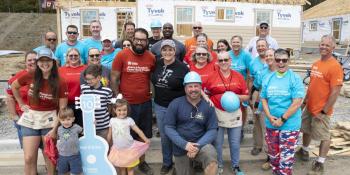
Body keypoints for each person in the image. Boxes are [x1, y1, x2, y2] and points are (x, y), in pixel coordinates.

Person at [11, 48, 68, 175]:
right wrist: (21, 103)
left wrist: (54, 129)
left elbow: (63, 108)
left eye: (47, 60)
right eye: (41, 60)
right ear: (37, 62)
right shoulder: (30, 75)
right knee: (29, 157)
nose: (44, 63)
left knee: (49, 156)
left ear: (53, 62)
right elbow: (14, 86)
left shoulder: (60, 81)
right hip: (31, 117)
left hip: (50, 119)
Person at [111, 28, 156, 175]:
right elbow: (114, 79)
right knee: (125, 136)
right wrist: (118, 99)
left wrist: (151, 93)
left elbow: (151, 78)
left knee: (143, 135)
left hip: (145, 103)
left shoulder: (151, 57)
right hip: (127, 106)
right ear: (132, 39)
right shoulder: (122, 55)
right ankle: (126, 163)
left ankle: (142, 162)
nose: (139, 42)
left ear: (146, 41)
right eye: (137, 39)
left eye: (143, 40)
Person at [297, 35, 343, 175]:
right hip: (310, 106)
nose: (323, 47)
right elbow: (312, 86)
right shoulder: (316, 63)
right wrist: (304, 102)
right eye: (322, 44)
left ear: (333, 48)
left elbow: (335, 92)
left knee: (324, 136)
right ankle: (304, 151)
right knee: (306, 129)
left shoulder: (335, 66)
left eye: (327, 45)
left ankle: (320, 163)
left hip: (322, 110)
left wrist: (324, 111)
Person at [164, 71, 218, 175]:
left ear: (200, 87)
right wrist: (185, 145)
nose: (193, 89)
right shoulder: (175, 104)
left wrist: (198, 146)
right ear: (185, 88)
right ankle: (183, 168)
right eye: (190, 86)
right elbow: (168, 127)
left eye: (196, 86)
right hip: (181, 147)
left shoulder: (208, 106)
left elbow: (212, 129)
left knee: (212, 161)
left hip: (201, 145)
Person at [260, 48, 305, 175]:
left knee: (286, 160)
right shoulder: (268, 78)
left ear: (288, 61)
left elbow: (297, 102)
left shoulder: (295, 78)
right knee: (274, 157)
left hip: (289, 126)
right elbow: (263, 98)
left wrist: (282, 119)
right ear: (274, 60)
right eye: (278, 60)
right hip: (271, 125)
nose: (281, 63)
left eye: (284, 60)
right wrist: (269, 117)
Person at [204, 52, 249, 175]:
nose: (223, 62)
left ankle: (235, 166)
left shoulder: (239, 76)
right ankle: (219, 165)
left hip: (235, 114)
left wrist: (235, 97)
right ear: (217, 62)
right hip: (217, 114)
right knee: (217, 143)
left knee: (234, 143)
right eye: (221, 60)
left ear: (230, 61)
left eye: (226, 60)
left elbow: (246, 96)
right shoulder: (211, 77)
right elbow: (206, 95)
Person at [151, 39, 189, 174]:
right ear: (161, 51)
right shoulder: (157, 64)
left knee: (178, 135)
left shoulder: (182, 68)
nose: (167, 52)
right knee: (165, 137)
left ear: (175, 51)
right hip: (160, 106)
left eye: (170, 49)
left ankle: (179, 164)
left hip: (177, 107)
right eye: (164, 49)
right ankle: (167, 162)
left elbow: (189, 87)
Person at [107, 98, 150, 175]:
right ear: (114, 110)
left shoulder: (129, 120)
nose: (122, 112)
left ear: (127, 110)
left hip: (129, 150)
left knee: (130, 170)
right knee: (122, 170)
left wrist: (145, 139)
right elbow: (109, 134)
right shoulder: (112, 121)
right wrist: (107, 145)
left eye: (124, 110)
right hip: (118, 150)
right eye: (119, 110)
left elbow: (138, 131)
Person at [6, 51, 37, 148]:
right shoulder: (16, 78)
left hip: (41, 115)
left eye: (35, 59)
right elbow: (9, 97)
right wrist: (14, 116)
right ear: (25, 63)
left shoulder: (44, 75)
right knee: (27, 148)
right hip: (24, 116)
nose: (33, 62)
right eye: (30, 60)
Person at [228, 35, 253, 138]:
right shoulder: (228, 54)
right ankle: (230, 127)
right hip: (229, 86)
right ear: (231, 43)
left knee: (242, 108)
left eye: (238, 42)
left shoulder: (246, 55)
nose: (235, 44)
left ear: (241, 43)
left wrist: (248, 90)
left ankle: (241, 129)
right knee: (230, 108)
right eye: (234, 42)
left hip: (242, 87)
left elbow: (249, 73)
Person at [81, 64, 113, 140]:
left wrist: (104, 117)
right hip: (89, 127)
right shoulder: (84, 89)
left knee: (105, 146)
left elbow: (109, 107)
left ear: (98, 78)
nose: (88, 81)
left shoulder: (107, 91)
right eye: (86, 79)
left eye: (91, 79)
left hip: (103, 126)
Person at [249, 38, 269, 156]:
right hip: (257, 93)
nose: (261, 47)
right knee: (257, 121)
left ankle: (269, 150)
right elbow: (251, 80)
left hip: (270, 94)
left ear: (267, 46)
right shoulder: (253, 63)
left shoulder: (272, 60)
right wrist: (251, 98)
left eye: (263, 45)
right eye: (259, 46)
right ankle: (258, 145)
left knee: (267, 123)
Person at [58, 48, 87, 127]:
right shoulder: (60, 70)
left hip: (82, 105)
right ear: (67, 57)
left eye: (75, 55)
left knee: (81, 129)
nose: (73, 57)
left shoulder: (86, 68)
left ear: (79, 56)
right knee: (68, 129)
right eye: (71, 55)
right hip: (66, 105)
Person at [56, 107, 83, 175]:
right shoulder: (59, 129)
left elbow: (85, 132)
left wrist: (92, 124)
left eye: (68, 119)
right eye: (63, 120)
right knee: (62, 172)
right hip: (62, 155)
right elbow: (59, 140)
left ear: (73, 119)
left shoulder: (76, 127)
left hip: (74, 155)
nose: (66, 122)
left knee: (76, 172)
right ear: (59, 120)